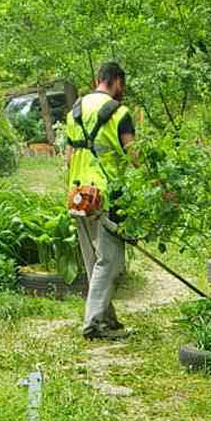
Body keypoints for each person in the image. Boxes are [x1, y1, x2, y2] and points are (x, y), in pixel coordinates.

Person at [65, 62, 136, 340]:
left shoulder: (75, 111)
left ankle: (107, 320)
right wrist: (159, 187)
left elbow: (69, 157)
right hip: (105, 195)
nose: (123, 91)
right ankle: (93, 324)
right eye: (123, 86)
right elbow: (134, 155)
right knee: (111, 262)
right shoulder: (120, 113)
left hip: (78, 194)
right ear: (117, 81)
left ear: (98, 79)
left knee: (93, 261)